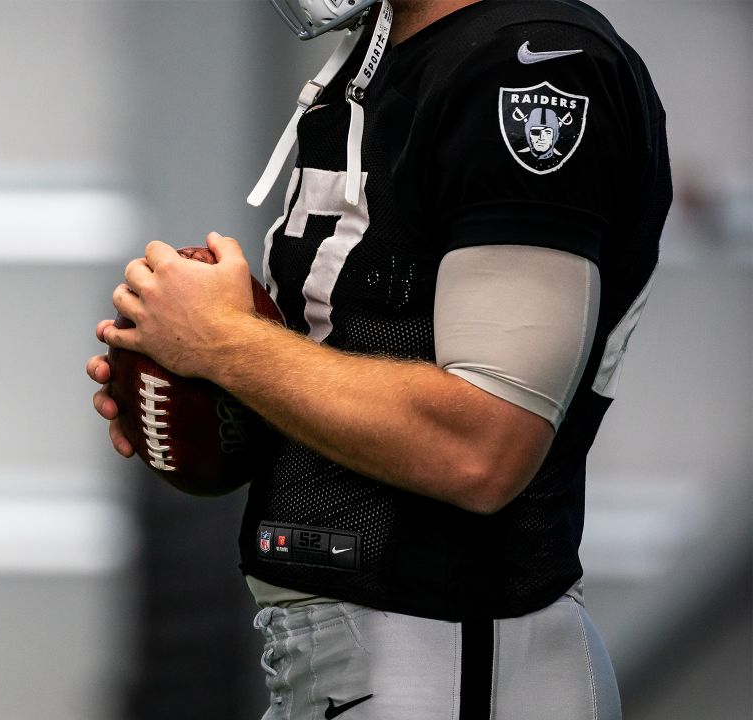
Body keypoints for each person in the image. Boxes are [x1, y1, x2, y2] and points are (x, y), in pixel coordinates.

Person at [86, 0, 671, 718]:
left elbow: (484, 443)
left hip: (444, 652)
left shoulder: (532, 60)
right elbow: (375, 350)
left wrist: (229, 345)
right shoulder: (386, 55)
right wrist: (205, 383)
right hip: (377, 654)